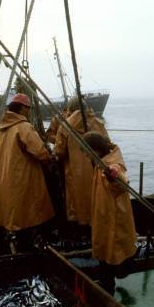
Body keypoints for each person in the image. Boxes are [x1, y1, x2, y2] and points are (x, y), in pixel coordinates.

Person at [0, 93, 55, 251]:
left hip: (4, 175)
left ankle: (14, 236)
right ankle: (32, 242)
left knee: (12, 209)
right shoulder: (23, 127)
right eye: (28, 109)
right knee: (29, 209)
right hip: (23, 176)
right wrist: (50, 159)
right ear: (22, 108)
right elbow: (40, 151)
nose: (29, 112)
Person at [82, 131, 136, 268]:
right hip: (103, 214)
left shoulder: (110, 165)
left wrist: (113, 176)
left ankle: (115, 274)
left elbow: (122, 183)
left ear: (96, 150)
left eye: (86, 151)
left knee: (113, 250)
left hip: (113, 216)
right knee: (106, 248)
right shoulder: (100, 163)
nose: (85, 155)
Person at [55, 97, 109, 226]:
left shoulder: (65, 125)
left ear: (71, 108)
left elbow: (59, 151)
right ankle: (98, 225)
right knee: (97, 197)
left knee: (77, 201)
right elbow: (107, 146)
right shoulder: (98, 123)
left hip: (74, 171)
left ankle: (81, 228)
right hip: (97, 169)